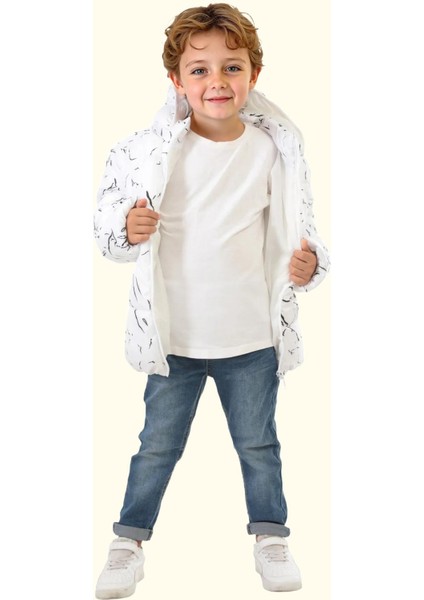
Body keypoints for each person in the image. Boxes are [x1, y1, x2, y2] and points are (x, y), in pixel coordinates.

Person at [94, 3, 330, 597]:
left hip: (250, 337)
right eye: (199, 70)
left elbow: (300, 229)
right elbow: (106, 235)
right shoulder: (145, 152)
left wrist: (311, 265)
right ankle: (128, 542)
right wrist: (127, 228)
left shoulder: (274, 150)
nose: (216, 81)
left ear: (254, 74)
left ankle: (270, 536)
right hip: (174, 339)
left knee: (259, 444)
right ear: (176, 80)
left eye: (232, 67)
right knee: (156, 446)